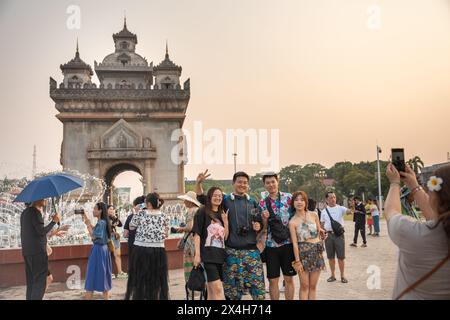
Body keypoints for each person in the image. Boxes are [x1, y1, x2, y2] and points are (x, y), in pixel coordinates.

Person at [195, 170, 265, 300]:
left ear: (248, 185)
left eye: (245, 183)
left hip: (251, 252)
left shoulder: (253, 202)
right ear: (233, 183)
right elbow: (203, 199)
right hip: (231, 252)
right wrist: (199, 183)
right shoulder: (225, 200)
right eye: (239, 182)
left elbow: (259, 221)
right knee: (231, 292)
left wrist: (259, 225)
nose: (242, 185)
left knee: (258, 291)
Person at [385, 163, 450, 299]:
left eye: (431, 186)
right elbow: (436, 215)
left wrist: (394, 183)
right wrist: (414, 185)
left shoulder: (416, 235)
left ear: (436, 196)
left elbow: (391, 211)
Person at [125, 193, 170, 300]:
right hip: (158, 250)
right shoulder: (164, 215)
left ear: (148, 203)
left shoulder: (141, 213)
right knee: (157, 278)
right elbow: (166, 234)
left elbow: (131, 227)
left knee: (140, 277)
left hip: (141, 248)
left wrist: (136, 212)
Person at [259, 173, 296, 300]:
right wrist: (264, 219)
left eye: (273, 181)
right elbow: (264, 228)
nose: (271, 185)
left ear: (278, 181)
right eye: (268, 183)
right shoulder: (262, 203)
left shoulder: (289, 198)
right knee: (273, 280)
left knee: (288, 278)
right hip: (271, 246)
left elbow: (299, 215)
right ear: (264, 185)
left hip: (288, 244)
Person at [192, 187, 229, 300]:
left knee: (212, 291)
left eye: (220, 196)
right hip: (207, 256)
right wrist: (197, 255)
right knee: (218, 289)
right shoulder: (202, 211)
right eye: (215, 195)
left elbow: (225, 238)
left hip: (220, 256)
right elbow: (196, 234)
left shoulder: (222, 213)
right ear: (209, 197)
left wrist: (226, 222)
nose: (218, 198)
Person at [20, 199, 61, 300]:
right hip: (38, 253)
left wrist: (53, 233)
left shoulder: (25, 213)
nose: (45, 200)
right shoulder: (35, 212)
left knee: (31, 283)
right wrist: (54, 221)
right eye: (44, 198)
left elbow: (34, 234)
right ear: (37, 199)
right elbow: (41, 231)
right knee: (39, 284)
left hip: (28, 253)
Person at [289, 191, 326, 300]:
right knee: (304, 286)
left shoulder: (314, 215)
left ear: (306, 202)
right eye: (296, 200)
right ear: (293, 203)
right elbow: (294, 243)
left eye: (302, 200)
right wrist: (297, 261)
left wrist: (322, 232)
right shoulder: (292, 222)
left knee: (313, 286)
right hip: (303, 255)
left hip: (317, 253)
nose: (299, 202)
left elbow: (319, 230)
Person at [82, 202, 113, 300]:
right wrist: (86, 218)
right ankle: (106, 298)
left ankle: (88, 297)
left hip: (98, 251)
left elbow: (94, 236)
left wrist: (87, 226)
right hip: (104, 250)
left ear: (100, 211)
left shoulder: (101, 223)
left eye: (95, 209)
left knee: (91, 275)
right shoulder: (104, 222)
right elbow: (95, 229)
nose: (93, 211)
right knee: (103, 275)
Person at [320, 191, 352, 283]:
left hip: (339, 236)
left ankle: (342, 276)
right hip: (328, 235)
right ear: (326, 199)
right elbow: (322, 224)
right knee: (330, 257)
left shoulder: (340, 208)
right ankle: (333, 275)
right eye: (331, 197)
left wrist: (352, 206)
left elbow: (349, 212)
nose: (333, 199)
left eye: (334, 197)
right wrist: (322, 236)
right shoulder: (324, 211)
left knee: (341, 257)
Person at [173, 191, 201, 294]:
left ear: (190, 201)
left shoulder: (191, 211)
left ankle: (192, 291)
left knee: (189, 268)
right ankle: (200, 290)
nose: (184, 202)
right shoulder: (199, 210)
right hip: (198, 242)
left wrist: (180, 229)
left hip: (190, 243)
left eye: (185, 200)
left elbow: (190, 227)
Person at [123, 196, 145, 270]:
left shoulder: (130, 217)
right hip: (146, 246)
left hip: (133, 245)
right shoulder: (148, 217)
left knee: (134, 266)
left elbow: (125, 234)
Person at [108, 205, 127, 279]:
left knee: (118, 255)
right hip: (108, 238)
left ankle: (120, 272)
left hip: (115, 237)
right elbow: (109, 225)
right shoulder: (104, 218)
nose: (112, 210)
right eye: (110, 209)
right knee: (108, 256)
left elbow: (120, 224)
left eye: (113, 209)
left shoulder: (114, 218)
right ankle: (109, 273)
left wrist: (115, 217)